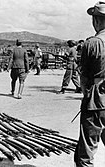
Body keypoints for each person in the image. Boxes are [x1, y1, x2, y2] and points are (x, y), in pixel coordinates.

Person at [74, 2, 105, 167]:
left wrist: (86, 94)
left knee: (86, 153)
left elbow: (84, 78)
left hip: (96, 100)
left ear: (97, 21)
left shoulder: (92, 43)